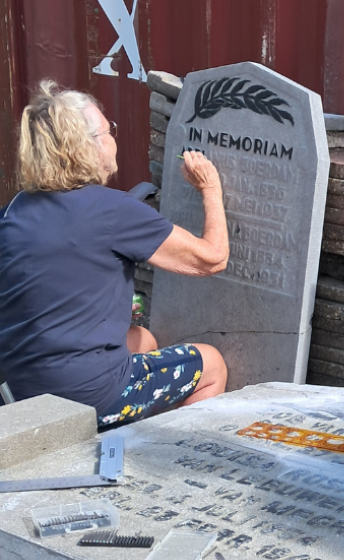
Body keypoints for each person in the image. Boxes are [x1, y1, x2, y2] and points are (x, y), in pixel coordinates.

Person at [0, 80, 230, 429]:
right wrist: (210, 188)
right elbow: (213, 258)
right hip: (90, 395)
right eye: (110, 131)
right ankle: (162, 462)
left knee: (143, 340)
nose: (113, 140)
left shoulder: (12, 212)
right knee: (211, 364)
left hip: (24, 390)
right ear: (87, 147)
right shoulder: (112, 211)